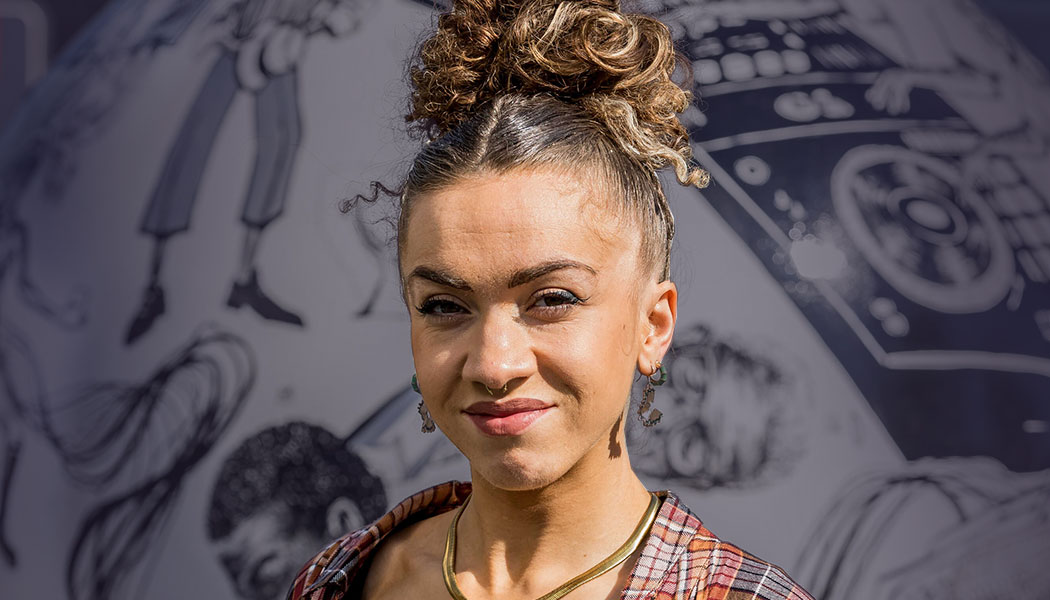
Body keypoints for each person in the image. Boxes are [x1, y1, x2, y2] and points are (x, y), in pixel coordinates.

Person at [288, 1, 815, 598]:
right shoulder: (340, 581)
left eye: (553, 299)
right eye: (443, 306)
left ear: (653, 325)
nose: (494, 364)